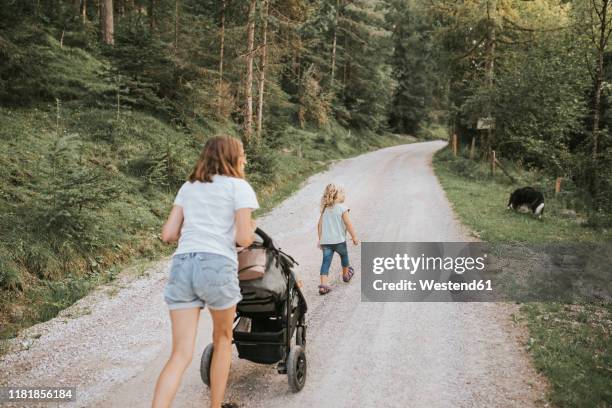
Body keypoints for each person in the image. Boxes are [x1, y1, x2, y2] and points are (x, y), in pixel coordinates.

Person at [152, 136, 258, 408]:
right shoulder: (239, 187)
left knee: (179, 354)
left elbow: (168, 234)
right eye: (242, 154)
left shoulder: (189, 187)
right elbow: (245, 238)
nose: (244, 158)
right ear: (232, 157)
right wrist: (249, 231)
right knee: (222, 339)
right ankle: (215, 406)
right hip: (216, 264)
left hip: (183, 264)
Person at [316, 183, 359, 295]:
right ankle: (346, 275)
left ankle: (323, 285)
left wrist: (320, 240)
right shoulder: (342, 208)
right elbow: (348, 224)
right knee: (344, 257)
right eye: (342, 193)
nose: (344, 195)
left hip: (326, 242)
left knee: (325, 262)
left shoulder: (325, 209)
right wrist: (354, 237)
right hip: (339, 241)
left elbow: (319, 225)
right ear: (335, 195)